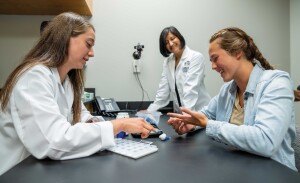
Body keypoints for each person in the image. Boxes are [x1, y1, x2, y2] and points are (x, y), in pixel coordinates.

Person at [0, 12, 154, 175]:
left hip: (42, 170)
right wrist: (118, 125)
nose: (92, 53)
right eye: (89, 44)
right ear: (65, 38)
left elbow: (79, 114)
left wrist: (93, 122)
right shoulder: (33, 77)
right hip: (17, 172)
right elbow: (52, 141)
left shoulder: (66, 81)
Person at [167, 27, 297, 171]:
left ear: (237, 53)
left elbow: (266, 141)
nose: (213, 66)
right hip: (239, 168)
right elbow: (207, 114)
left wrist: (208, 124)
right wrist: (191, 124)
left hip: (275, 173)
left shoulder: (277, 83)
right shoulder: (228, 90)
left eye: (215, 59)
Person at [147, 26, 211, 115]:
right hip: (180, 114)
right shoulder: (167, 62)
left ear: (179, 37)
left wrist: (187, 116)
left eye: (172, 39)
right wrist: (149, 112)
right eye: (166, 42)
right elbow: (163, 91)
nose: (171, 44)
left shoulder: (195, 57)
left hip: (199, 112)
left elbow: (190, 90)